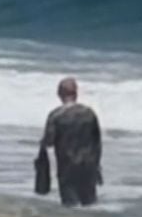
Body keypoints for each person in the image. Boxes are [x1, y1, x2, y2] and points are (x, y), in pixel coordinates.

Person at [39, 77, 102, 207]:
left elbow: (49, 142)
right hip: (88, 167)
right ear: (76, 93)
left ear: (59, 94)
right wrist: (97, 167)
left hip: (67, 168)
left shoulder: (56, 115)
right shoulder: (89, 113)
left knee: (70, 206)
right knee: (90, 205)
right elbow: (97, 142)